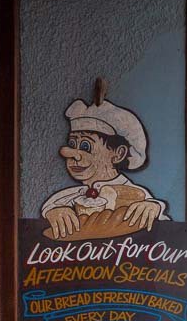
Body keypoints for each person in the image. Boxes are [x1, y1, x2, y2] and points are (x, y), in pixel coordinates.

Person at [41, 98, 169, 239]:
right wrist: (53, 211)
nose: (73, 155)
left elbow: (166, 233)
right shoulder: (67, 197)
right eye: (72, 144)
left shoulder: (136, 196)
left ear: (118, 154)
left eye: (86, 146)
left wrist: (154, 207)